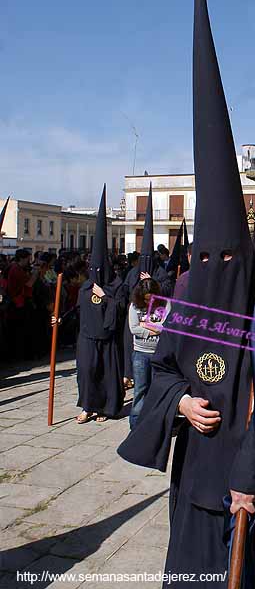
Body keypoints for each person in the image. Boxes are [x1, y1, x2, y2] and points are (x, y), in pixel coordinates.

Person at [118, 0, 255, 589]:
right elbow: (161, 365)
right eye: (204, 257)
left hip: (240, 486)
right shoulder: (188, 305)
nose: (214, 268)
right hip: (192, 476)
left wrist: (252, 475)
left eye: (225, 257)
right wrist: (179, 400)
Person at [75, 185, 125, 424]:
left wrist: (105, 297)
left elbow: (120, 309)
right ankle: (87, 406)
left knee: (104, 375)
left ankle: (105, 408)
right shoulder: (84, 288)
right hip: (86, 338)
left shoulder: (116, 285)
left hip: (107, 340)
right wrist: (59, 320)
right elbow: (77, 311)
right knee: (86, 374)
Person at [122, 183, 172, 390]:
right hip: (135, 329)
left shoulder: (161, 272)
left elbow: (168, 292)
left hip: (155, 334)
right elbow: (125, 293)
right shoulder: (132, 273)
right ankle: (128, 376)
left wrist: (153, 282)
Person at [128, 277, 165, 429]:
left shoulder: (164, 305)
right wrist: (155, 328)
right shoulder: (134, 307)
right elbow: (133, 329)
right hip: (140, 352)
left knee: (157, 389)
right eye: (146, 299)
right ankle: (136, 423)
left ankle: (155, 421)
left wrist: (146, 324)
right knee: (140, 389)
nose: (150, 303)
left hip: (158, 352)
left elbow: (165, 327)